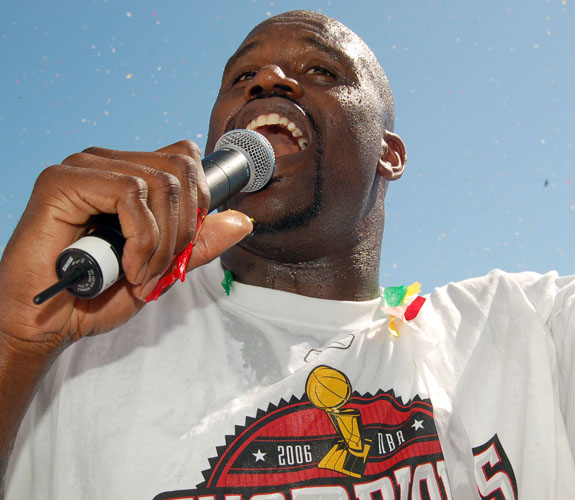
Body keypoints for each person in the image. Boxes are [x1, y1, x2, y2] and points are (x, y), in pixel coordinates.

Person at [0, 9, 573, 500]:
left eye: (321, 70)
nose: (268, 79)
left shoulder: (523, 329)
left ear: (389, 155)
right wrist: (14, 341)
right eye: (243, 75)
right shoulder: (75, 350)